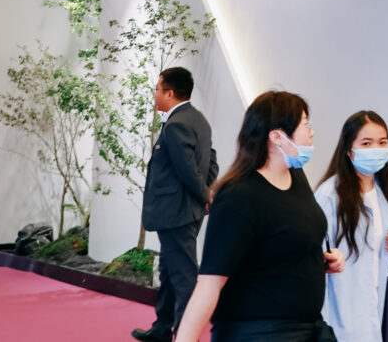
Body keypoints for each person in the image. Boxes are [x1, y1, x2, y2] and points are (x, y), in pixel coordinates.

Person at [172, 91, 345, 342]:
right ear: (277, 136)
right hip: (259, 332)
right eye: (305, 124)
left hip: (305, 328)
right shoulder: (239, 196)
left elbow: (281, 242)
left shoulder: (296, 176)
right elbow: (210, 282)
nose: (312, 132)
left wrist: (318, 260)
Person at [316, 111, 388, 342]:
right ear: (349, 150)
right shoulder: (329, 196)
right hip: (343, 312)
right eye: (366, 143)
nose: (375, 149)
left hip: (381, 303)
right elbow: (317, 260)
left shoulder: (386, 191)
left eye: (382, 142)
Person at [133, 67, 217, 342]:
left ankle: (184, 334)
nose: (154, 95)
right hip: (187, 212)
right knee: (169, 271)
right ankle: (162, 328)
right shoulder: (198, 120)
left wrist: (205, 196)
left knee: (183, 277)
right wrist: (206, 193)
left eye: (157, 89)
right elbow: (211, 161)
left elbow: (187, 169)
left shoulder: (177, 124)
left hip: (176, 213)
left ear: (170, 93)